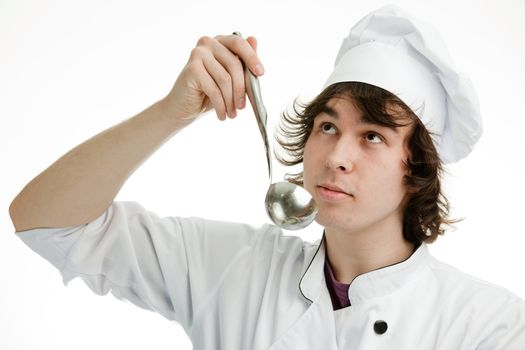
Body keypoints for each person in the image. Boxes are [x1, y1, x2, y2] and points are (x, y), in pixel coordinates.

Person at [9, 5, 525, 349]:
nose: (337, 156)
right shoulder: (232, 269)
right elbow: (44, 221)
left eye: (372, 136)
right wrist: (172, 112)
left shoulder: (487, 325)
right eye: (327, 126)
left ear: (417, 170)